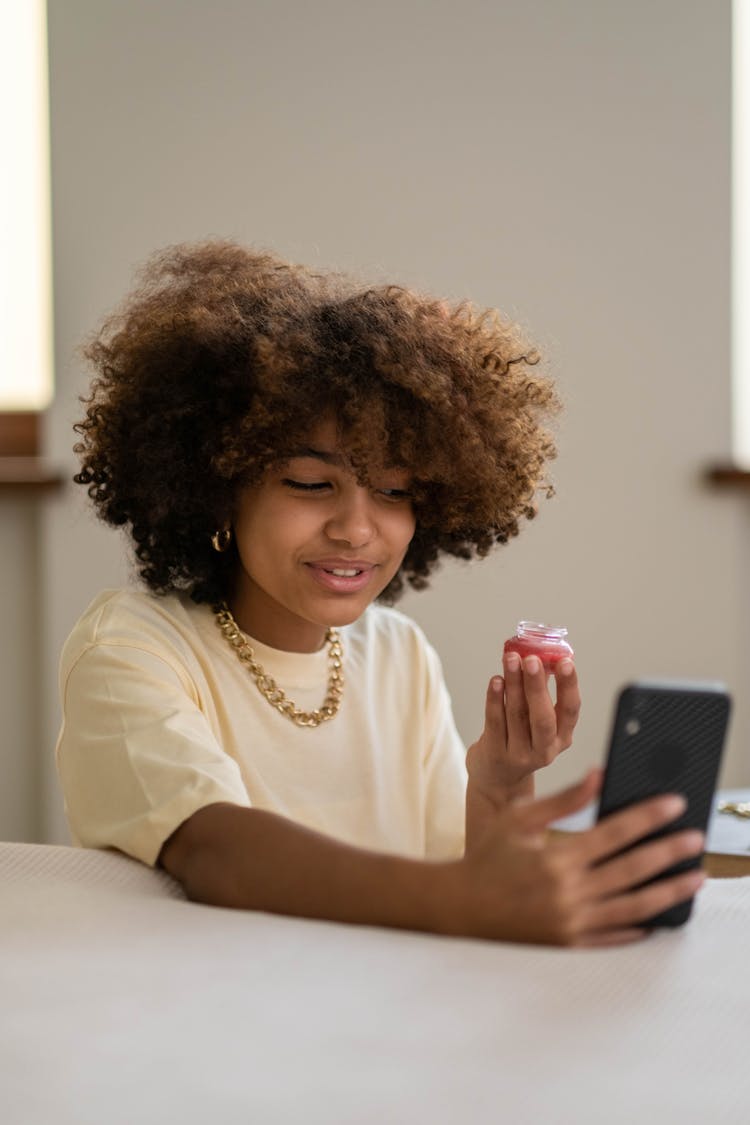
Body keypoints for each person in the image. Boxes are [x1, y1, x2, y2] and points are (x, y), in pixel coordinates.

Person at [56, 240, 705, 946]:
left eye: (395, 491)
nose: (357, 528)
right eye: (310, 483)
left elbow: (455, 879)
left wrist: (497, 782)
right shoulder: (131, 647)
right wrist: (473, 900)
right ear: (217, 486)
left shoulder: (396, 653)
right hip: (217, 1014)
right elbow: (217, 852)